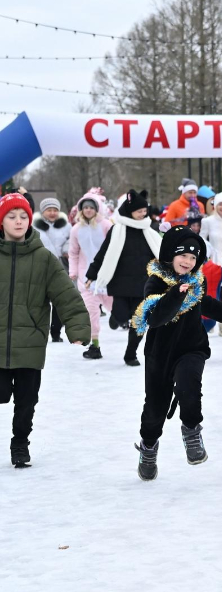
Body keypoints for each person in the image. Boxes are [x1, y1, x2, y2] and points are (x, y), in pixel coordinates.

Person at [130, 226, 222, 481]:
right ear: (170, 254)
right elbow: (155, 317)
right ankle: (148, 447)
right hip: (160, 354)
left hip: (192, 347)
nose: (187, 261)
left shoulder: (196, 281)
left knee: (189, 386)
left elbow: (206, 303)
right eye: (183, 255)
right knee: (154, 409)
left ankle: (192, 431)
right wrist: (175, 294)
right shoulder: (156, 282)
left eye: (193, 257)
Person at [0, 193, 90, 467]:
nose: (18, 221)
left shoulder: (44, 258)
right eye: (11, 216)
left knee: (26, 400)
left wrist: (77, 327)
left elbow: (66, 295)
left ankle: (20, 444)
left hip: (31, 342)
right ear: (2, 221)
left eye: (23, 216)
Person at [85, 189, 162, 366]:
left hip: (143, 284)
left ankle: (131, 354)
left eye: (145, 211)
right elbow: (103, 253)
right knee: (120, 316)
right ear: (130, 211)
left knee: (139, 321)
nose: (143, 214)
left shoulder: (149, 230)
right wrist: (91, 274)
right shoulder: (117, 230)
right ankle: (116, 318)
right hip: (120, 283)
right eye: (139, 211)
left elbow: (160, 254)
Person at [68, 190, 113, 360]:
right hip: (86, 279)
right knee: (91, 314)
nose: (88, 210)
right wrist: (73, 272)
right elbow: (73, 252)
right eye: (85, 207)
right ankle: (95, 346)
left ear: (97, 209)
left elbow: (116, 248)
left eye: (91, 207)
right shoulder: (76, 229)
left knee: (117, 310)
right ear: (81, 209)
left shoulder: (106, 225)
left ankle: (122, 322)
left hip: (108, 277)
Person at [33, 198, 71, 343]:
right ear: (43, 211)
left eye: (55, 210)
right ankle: (38, 330)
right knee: (39, 301)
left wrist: (66, 250)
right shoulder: (33, 227)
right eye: (49, 210)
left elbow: (71, 240)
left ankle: (56, 331)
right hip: (40, 267)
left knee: (59, 301)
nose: (52, 213)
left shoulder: (66, 226)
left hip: (60, 267)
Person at [200, 191, 222, 337]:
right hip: (213, 263)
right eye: (220, 204)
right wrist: (207, 253)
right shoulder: (207, 221)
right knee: (212, 294)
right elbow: (202, 239)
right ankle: (210, 319)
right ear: (215, 206)